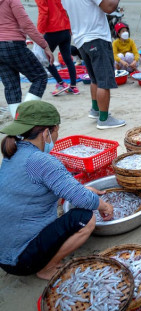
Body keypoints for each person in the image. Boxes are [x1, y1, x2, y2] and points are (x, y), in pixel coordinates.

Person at [0, 101, 114, 280]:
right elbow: (83, 201)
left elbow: (45, 187)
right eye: (56, 131)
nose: (56, 136)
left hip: (5, 253)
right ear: (46, 133)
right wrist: (104, 206)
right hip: (21, 260)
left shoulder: (13, 154)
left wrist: (82, 189)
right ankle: (47, 267)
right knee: (85, 218)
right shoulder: (40, 160)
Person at [61, 0, 126, 129]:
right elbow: (109, 7)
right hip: (96, 37)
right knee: (104, 80)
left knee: (95, 78)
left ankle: (96, 109)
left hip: (80, 39)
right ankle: (104, 118)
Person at [0, 0, 53, 118]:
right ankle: (25, 115)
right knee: (40, 77)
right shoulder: (12, 1)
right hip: (13, 44)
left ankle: (19, 125)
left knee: (11, 86)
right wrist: (44, 45)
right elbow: (27, 25)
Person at [35, 0, 79, 96]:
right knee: (68, 59)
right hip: (65, 29)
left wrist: (39, 32)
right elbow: (65, 10)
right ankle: (73, 86)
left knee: (45, 58)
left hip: (53, 30)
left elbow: (43, 12)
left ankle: (61, 83)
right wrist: (69, 28)